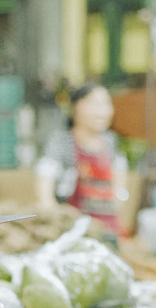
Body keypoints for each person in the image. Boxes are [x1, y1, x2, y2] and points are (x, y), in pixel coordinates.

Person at [35, 83, 129, 235]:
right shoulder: (61, 143)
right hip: (72, 230)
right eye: (94, 104)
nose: (103, 111)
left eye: (106, 104)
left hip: (108, 230)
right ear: (75, 108)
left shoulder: (112, 143)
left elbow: (120, 187)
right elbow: (44, 191)